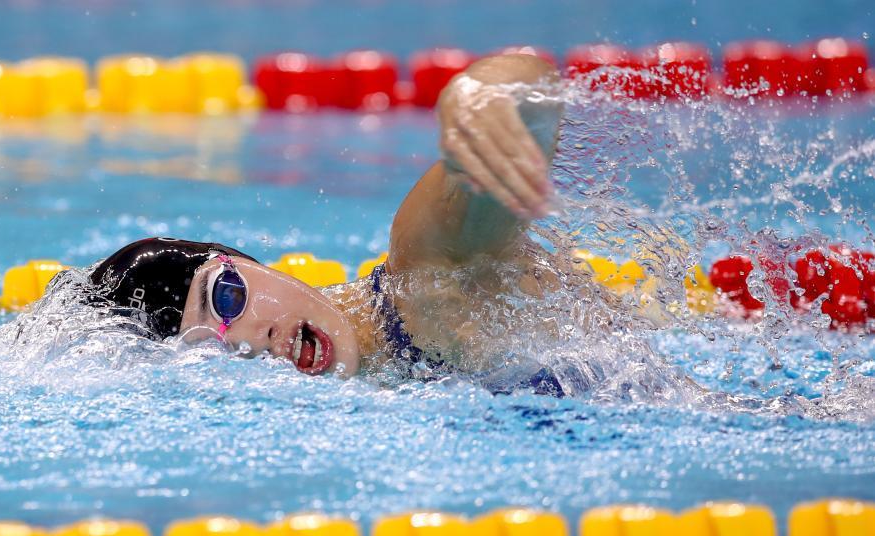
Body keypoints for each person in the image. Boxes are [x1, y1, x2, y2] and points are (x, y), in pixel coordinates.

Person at [87, 54, 575, 394]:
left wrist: (484, 96)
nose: (248, 344)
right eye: (209, 356)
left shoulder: (429, 280)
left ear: (246, 262)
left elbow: (530, 93)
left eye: (226, 298)